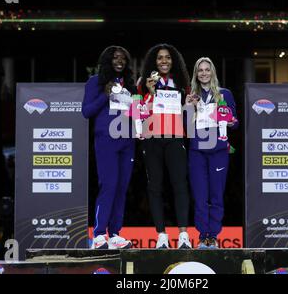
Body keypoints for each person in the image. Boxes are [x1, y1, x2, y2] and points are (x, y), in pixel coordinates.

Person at [137, 43, 192, 249]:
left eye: (168, 57)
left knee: (180, 185)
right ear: (154, 61)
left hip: (175, 137)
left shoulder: (181, 81)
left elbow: (187, 108)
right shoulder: (144, 82)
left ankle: (183, 236)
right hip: (151, 138)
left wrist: (191, 103)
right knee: (155, 187)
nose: (164, 61)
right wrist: (150, 92)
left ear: (173, 60)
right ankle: (161, 235)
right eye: (160, 57)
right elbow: (138, 110)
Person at [82, 45, 136, 249]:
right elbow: (86, 112)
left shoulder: (129, 84)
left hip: (127, 141)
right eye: (115, 57)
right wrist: (105, 94)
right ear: (107, 60)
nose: (119, 61)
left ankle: (114, 234)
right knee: (109, 185)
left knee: (122, 188)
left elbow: (135, 111)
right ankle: (98, 235)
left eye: (123, 58)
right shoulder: (95, 82)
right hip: (106, 140)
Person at [185, 57, 238, 249]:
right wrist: (188, 107)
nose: (204, 73)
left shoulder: (225, 94)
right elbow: (186, 128)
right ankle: (202, 236)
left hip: (218, 151)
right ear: (196, 74)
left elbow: (235, 121)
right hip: (197, 151)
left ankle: (213, 236)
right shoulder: (191, 95)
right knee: (199, 195)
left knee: (216, 195)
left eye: (207, 69)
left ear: (212, 72)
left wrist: (231, 121)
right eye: (201, 70)